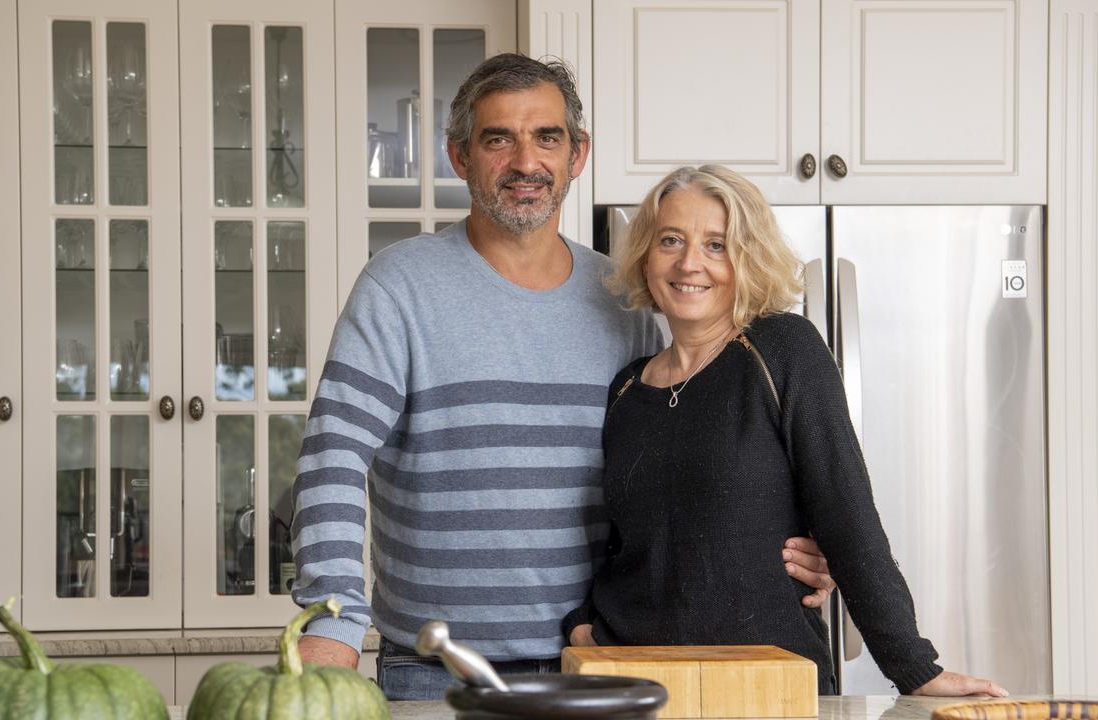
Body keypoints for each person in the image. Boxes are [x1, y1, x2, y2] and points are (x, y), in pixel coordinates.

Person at [291, 54, 835, 701]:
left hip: (601, 662)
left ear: (577, 155)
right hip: (436, 670)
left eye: (547, 137)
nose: (526, 162)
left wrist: (778, 544)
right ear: (460, 156)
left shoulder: (625, 300)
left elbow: (681, 477)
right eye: (499, 139)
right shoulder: (397, 288)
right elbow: (333, 460)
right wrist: (333, 622)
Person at [561, 164, 1007, 697]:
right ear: (645, 255)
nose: (689, 263)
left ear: (747, 258)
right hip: (634, 684)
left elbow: (846, 511)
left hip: (771, 683)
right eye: (671, 240)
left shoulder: (782, 349)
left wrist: (913, 666)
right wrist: (585, 622)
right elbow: (622, 541)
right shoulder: (627, 389)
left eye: (717, 245)